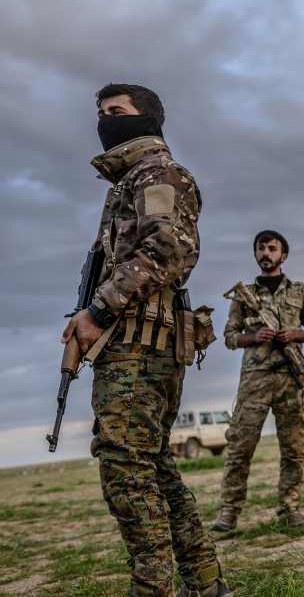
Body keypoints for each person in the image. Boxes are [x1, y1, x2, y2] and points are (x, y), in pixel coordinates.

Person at [59, 83, 230, 596]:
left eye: (116, 112)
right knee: (150, 463)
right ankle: (205, 582)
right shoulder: (129, 182)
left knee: (124, 464)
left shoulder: (159, 174)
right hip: (134, 340)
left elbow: (167, 248)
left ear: (147, 120)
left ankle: (154, 587)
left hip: (141, 343)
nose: (105, 121)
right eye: (101, 114)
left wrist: (97, 311)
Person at [211, 231, 304, 532]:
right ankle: (228, 514)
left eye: (272, 248)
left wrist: (294, 335)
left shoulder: (300, 291)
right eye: (261, 248)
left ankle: (289, 510)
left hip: (292, 378)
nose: (266, 253)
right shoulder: (244, 295)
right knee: (240, 448)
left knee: (293, 449)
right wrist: (254, 337)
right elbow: (229, 338)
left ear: (283, 255)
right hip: (256, 379)